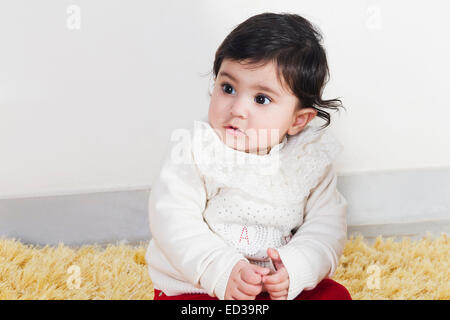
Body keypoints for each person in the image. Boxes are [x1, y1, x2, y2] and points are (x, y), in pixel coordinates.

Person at [146, 12, 351, 300]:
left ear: (298, 120)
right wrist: (222, 270)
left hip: (275, 287)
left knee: (335, 295)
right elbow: (172, 221)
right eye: (228, 88)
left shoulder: (309, 158)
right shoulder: (196, 149)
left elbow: (327, 226)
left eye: (261, 99)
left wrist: (296, 268)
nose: (238, 109)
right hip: (203, 284)